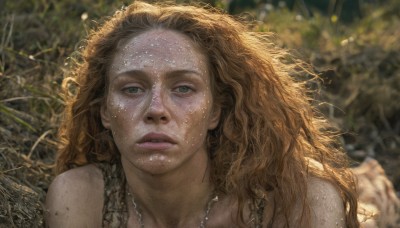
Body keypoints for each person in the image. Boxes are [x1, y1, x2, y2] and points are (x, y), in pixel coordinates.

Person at [45, 1, 360, 227]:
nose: (156, 110)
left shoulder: (300, 198)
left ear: (215, 111)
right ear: (104, 112)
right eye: (132, 89)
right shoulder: (83, 197)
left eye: (183, 88)